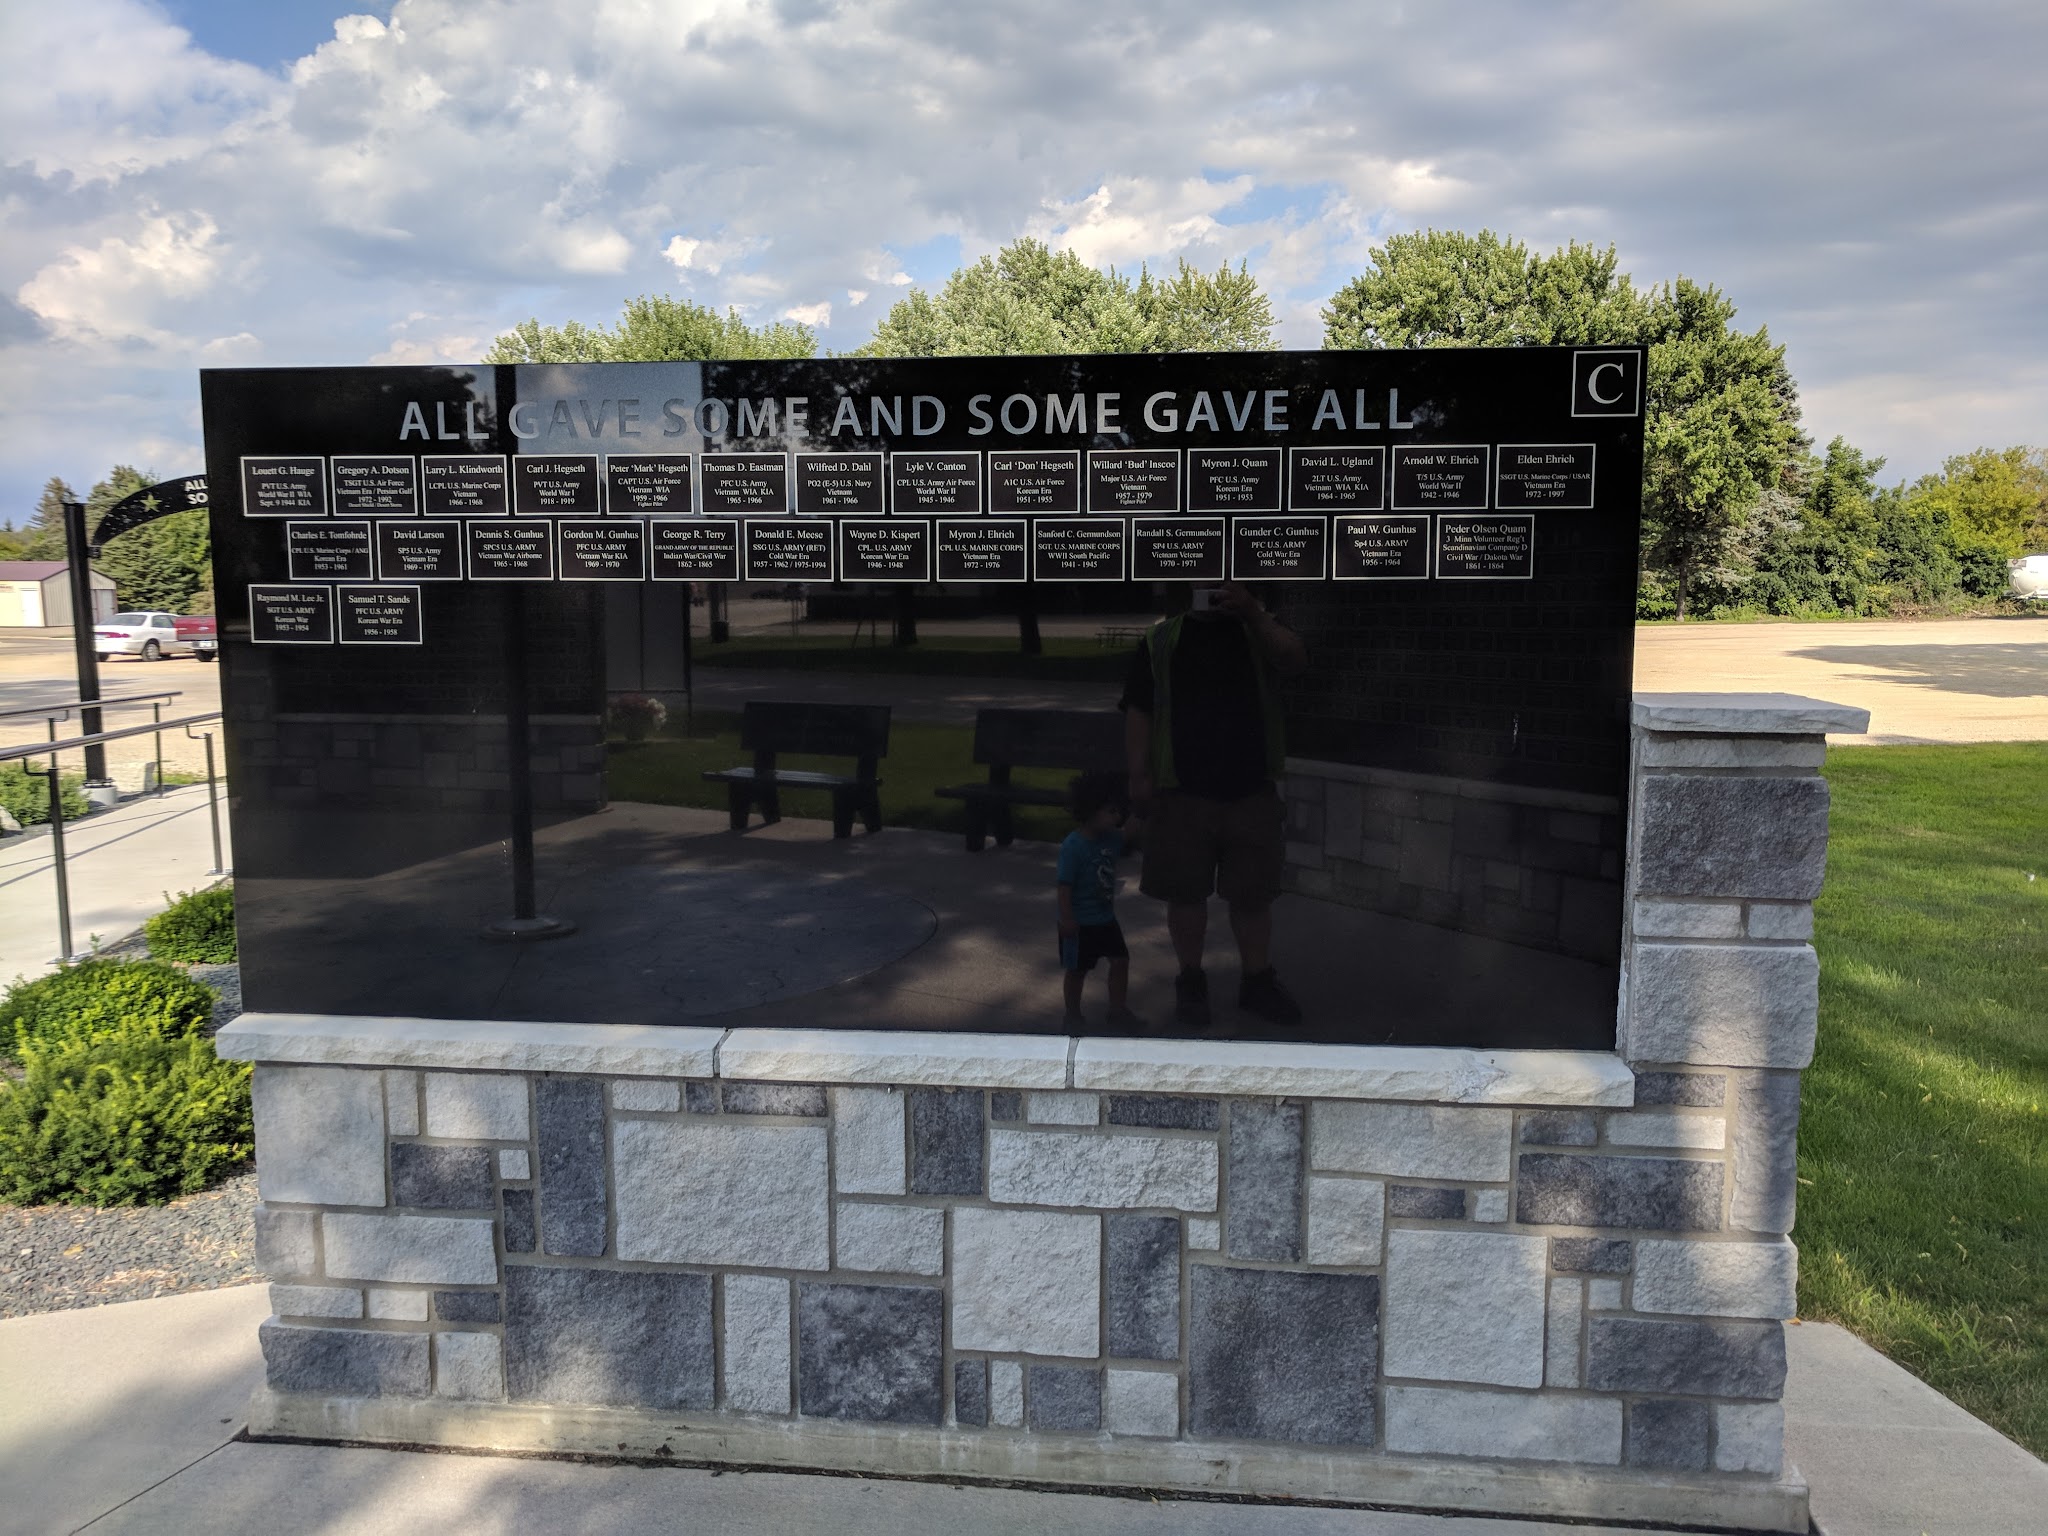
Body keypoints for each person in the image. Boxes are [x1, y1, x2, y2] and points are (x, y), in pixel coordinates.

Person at [1122, 581, 1308, 1031]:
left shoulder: (1257, 630)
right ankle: (1191, 981)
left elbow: (1295, 661)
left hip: (1250, 787)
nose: (1211, 588)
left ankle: (1257, 981)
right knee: (1185, 894)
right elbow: (1138, 709)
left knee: (1253, 895)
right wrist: (1138, 774)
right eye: (1201, 579)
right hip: (1181, 789)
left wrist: (1254, 612)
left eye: (1221, 579)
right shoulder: (1161, 639)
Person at [1055, 770, 1147, 1032]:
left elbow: (1129, 832)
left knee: (1120, 960)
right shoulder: (1073, 846)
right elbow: (1064, 887)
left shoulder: (1111, 838)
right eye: (1110, 811)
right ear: (1090, 811)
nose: (1116, 817)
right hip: (1079, 922)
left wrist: (1139, 809)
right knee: (1077, 970)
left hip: (1106, 919)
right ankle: (1072, 1014)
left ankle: (1117, 1010)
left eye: (1117, 811)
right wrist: (1067, 919)